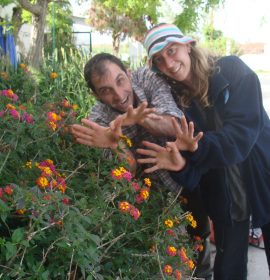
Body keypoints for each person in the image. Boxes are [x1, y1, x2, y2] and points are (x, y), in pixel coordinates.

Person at [136, 22, 270, 279]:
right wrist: (180, 167)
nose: (169, 63)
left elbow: (239, 140)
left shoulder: (233, 71)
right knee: (227, 272)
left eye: (171, 51)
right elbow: (193, 173)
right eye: (159, 60)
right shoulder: (176, 102)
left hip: (264, 177)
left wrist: (197, 146)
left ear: (188, 46)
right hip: (228, 200)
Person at [70, 53, 213, 279]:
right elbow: (129, 169)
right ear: (95, 95)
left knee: (200, 243)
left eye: (120, 80)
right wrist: (114, 144)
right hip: (152, 197)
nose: (118, 95)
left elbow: (175, 124)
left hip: (185, 175)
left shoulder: (146, 78)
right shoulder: (98, 119)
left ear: (128, 73)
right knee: (168, 260)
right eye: (106, 90)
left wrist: (138, 118)